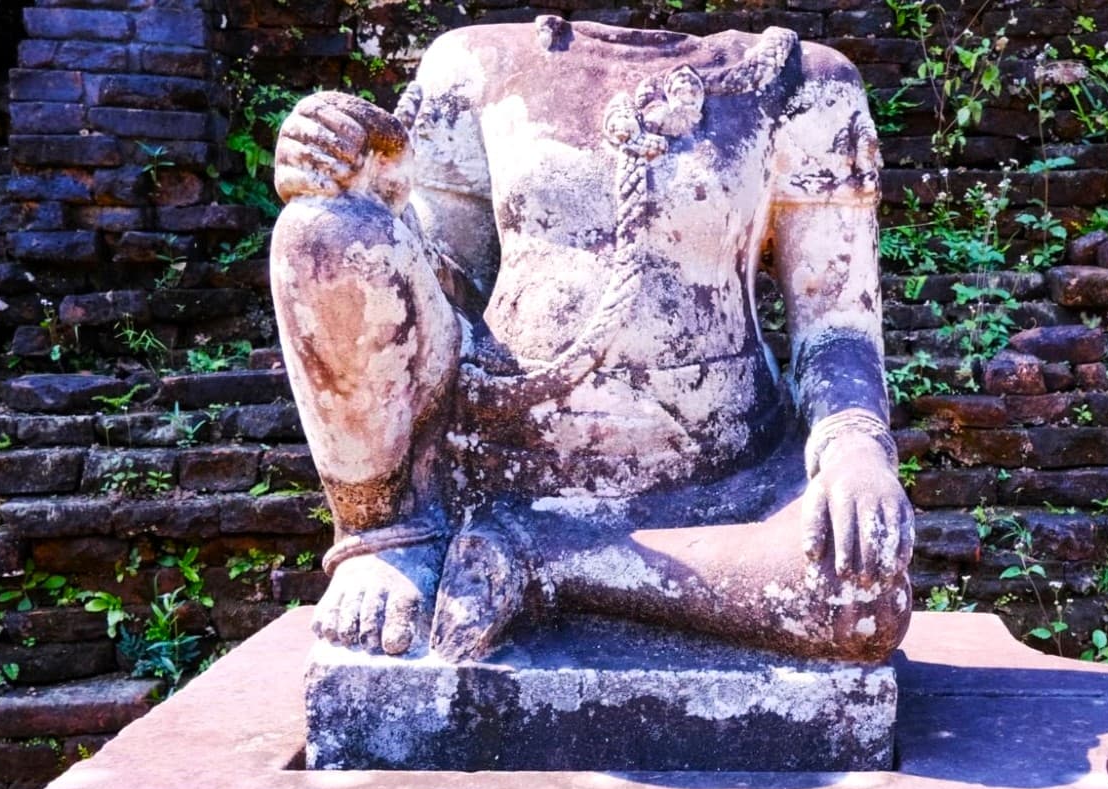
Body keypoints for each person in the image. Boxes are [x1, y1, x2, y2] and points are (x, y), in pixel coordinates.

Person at [267, 18, 911, 663]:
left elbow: (835, 322)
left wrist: (855, 444)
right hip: (504, 437)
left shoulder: (802, 79)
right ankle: (385, 539)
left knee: (858, 605)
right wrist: (363, 184)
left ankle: (539, 559)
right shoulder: (475, 61)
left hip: (721, 473)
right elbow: (444, 283)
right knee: (324, 231)